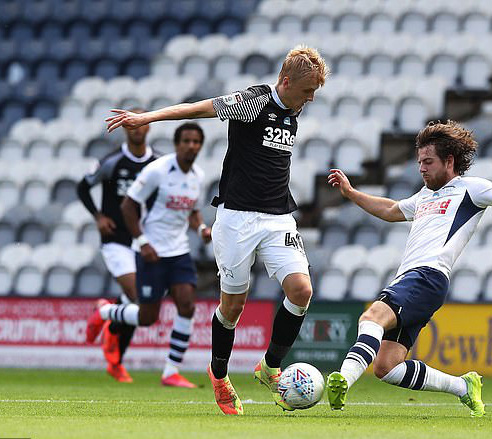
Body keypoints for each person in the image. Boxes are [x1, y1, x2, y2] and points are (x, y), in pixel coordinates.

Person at [105, 45, 329, 415]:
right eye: (306, 91)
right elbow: (199, 108)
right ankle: (220, 374)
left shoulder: (292, 112)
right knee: (233, 307)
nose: (310, 99)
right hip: (236, 219)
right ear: (285, 81)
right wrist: (147, 118)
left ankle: (270, 366)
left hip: (277, 219)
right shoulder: (252, 102)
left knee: (302, 290)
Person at [325, 120, 492, 417]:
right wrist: (351, 193)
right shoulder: (423, 196)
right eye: (419, 162)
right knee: (387, 367)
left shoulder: (471, 189)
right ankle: (463, 387)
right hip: (413, 280)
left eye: (428, 162)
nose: (421, 169)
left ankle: (343, 381)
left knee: (372, 316)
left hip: (427, 276)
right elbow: (389, 210)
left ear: (449, 161)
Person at [86, 122, 211, 388]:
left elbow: (193, 211)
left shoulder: (198, 176)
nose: (191, 146)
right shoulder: (157, 170)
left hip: (178, 251)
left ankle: (171, 372)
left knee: (187, 305)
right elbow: (127, 206)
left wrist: (201, 228)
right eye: (186, 141)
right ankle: (106, 312)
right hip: (151, 252)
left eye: (196, 142)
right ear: (177, 144)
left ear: (200, 146)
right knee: (147, 317)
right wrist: (142, 241)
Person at [78, 108, 157, 383]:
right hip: (116, 240)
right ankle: (106, 315)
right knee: (138, 298)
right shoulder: (112, 162)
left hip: (144, 240)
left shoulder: (157, 163)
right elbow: (82, 187)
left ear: (148, 126)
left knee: (140, 302)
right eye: (131, 125)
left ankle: (115, 354)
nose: (136, 129)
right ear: (124, 128)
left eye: (141, 124)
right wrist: (98, 216)